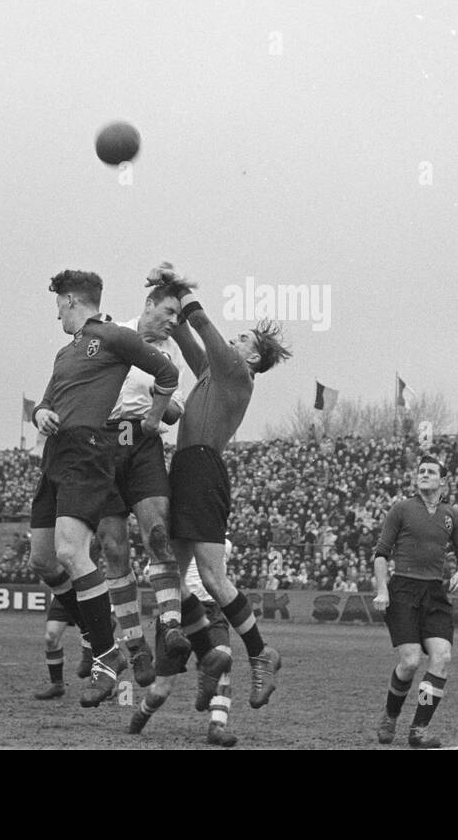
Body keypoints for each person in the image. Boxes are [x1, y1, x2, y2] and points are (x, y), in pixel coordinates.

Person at [27, 269, 180, 707]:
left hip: (88, 452)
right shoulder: (64, 353)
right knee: (43, 560)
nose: (56, 310)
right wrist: (40, 415)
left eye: (58, 302)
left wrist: (153, 417)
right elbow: (45, 401)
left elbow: (167, 373)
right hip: (55, 454)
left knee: (71, 553)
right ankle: (101, 638)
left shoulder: (114, 337)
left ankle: (108, 655)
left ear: (72, 300)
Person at [157, 262, 291, 709]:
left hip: (203, 469)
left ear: (252, 357)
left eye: (244, 339)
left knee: (212, 577)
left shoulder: (236, 372)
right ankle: (194, 647)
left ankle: (260, 652)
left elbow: (200, 323)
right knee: (168, 569)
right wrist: (166, 295)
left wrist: (180, 287)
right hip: (186, 466)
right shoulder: (214, 376)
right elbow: (182, 332)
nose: (235, 341)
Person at [99, 281, 194, 686]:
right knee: (113, 548)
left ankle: (171, 627)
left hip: (143, 441)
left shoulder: (170, 354)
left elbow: (173, 413)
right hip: (103, 441)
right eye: (169, 312)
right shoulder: (113, 333)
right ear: (149, 305)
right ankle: (136, 650)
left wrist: (162, 399)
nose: (174, 321)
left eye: (178, 316)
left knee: (157, 532)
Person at [372, 455, 458, 749]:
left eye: (431, 472)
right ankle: (390, 716)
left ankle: (419, 729)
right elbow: (381, 554)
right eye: (421, 471)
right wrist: (382, 590)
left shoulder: (452, 515)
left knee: (442, 658)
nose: (424, 474)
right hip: (402, 590)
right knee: (411, 661)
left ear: (443, 481)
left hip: (435, 594)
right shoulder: (401, 509)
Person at [128, 541, 238, 747]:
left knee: (222, 664)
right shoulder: (179, 540)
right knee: (162, 689)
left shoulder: (222, 542)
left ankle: (217, 727)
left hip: (210, 610)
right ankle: (141, 715)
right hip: (176, 613)